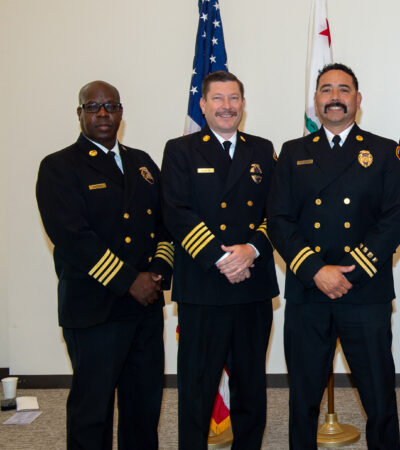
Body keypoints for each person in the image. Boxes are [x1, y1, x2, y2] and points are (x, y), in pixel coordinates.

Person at [267, 63, 400, 449]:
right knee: (303, 399)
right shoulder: (293, 152)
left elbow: (397, 217)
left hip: (364, 292)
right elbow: (278, 219)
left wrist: (351, 272)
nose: (334, 97)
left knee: (379, 398)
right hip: (308, 291)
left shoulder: (383, 150)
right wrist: (315, 270)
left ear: (357, 100)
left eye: (343, 90)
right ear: (315, 101)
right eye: (326, 90)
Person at [36, 80, 173, 449]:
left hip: (144, 308)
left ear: (121, 113)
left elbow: (163, 225)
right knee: (92, 411)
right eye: (93, 107)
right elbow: (73, 237)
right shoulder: (59, 167)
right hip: (95, 309)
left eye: (110, 106)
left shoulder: (142, 163)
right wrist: (130, 280)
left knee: (143, 407)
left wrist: (158, 273)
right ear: (79, 113)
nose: (102, 114)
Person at [160, 71, 279, 449]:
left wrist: (252, 250)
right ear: (203, 104)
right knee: (197, 385)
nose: (226, 106)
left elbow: (277, 211)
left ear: (243, 104)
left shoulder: (262, 149)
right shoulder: (180, 150)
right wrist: (221, 258)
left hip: (253, 285)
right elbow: (175, 211)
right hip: (203, 285)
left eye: (233, 98)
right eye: (218, 98)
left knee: (250, 384)